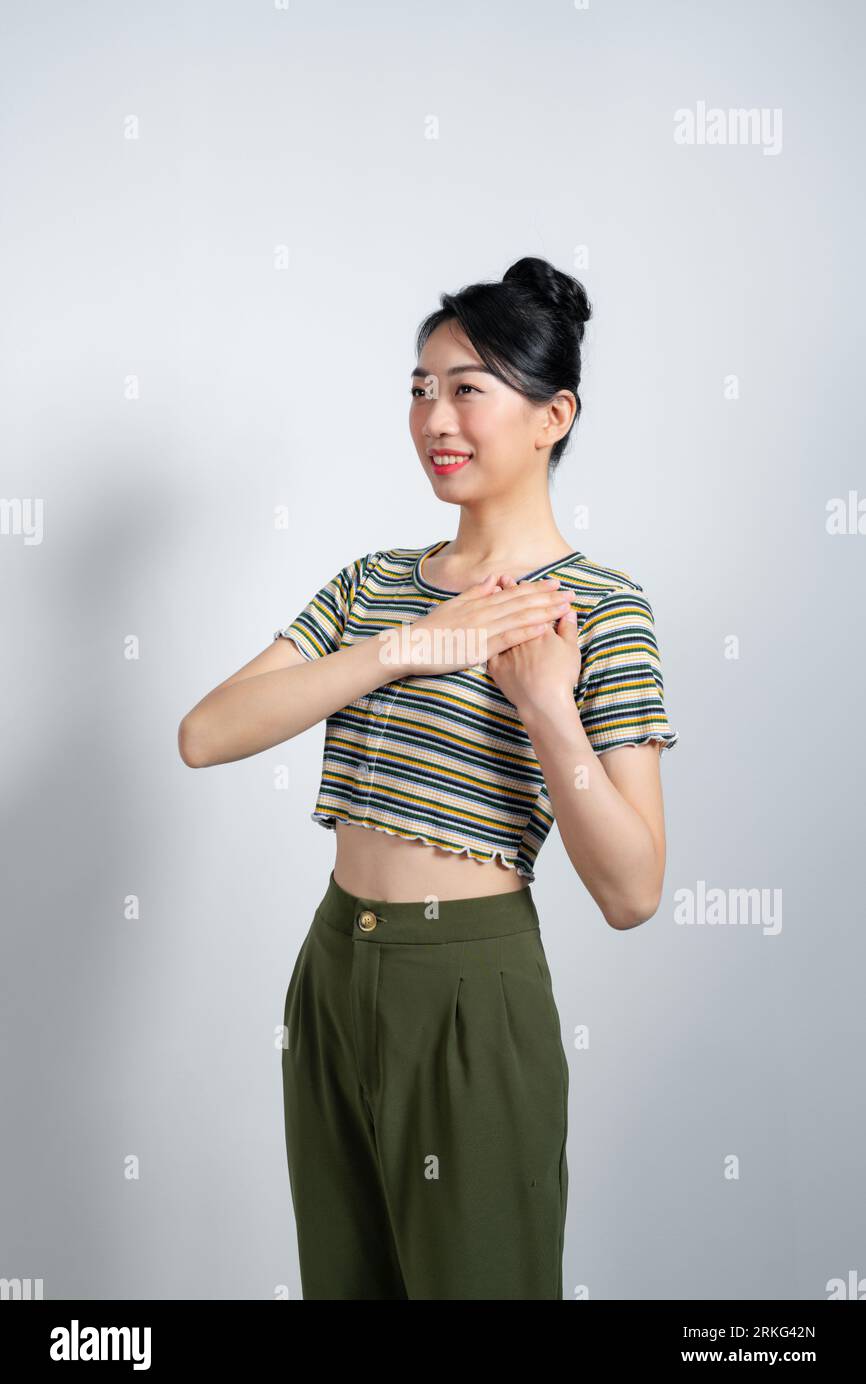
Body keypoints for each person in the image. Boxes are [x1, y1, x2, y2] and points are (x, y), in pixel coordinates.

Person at [178, 256, 679, 1300]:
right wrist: (408, 645)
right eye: (419, 387)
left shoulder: (598, 608)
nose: (433, 417)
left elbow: (632, 890)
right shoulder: (372, 587)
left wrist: (546, 707)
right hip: (332, 971)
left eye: (466, 388)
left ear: (552, 416)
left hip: (469, 992)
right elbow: (205, 732)